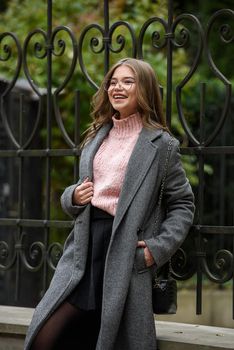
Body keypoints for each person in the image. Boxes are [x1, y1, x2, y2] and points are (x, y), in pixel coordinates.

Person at [25, 58, 195, 350]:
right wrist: (73, 196)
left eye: (128, 81)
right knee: (45, 336)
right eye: (113, 82)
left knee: (102, 339)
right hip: (85, 248)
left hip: (124, 254)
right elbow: (88, 189)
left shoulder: (162, 145)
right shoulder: (96, 136)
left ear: (145, 89)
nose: (117, 87)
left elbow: (183, 204)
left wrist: (157, 249)